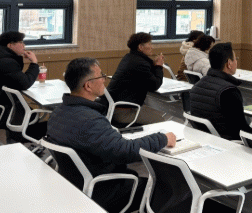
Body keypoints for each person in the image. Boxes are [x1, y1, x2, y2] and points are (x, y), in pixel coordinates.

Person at [47, 57, 176, 213]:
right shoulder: (90, 120)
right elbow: (125, 152)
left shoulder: (57, 113)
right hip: (104, 190)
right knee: (170, 190)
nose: (104, 79)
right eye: (100, 76)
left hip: (74, 184)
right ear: (88, 85)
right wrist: (162, 138)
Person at [0, 31, 42, 138]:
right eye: (21, 42)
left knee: (24, 109)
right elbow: (25, 83)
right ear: (10, 45)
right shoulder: (6, 62)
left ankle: (16, 139)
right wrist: (34, 63)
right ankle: (20, 140)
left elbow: (17, 80)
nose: (24, 46)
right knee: (30, 114)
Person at [189, 42, 252, 140]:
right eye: (235, 59)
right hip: (227, 143)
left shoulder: (196, 86)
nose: (236, 61)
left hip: (204, 140)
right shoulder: (229, 91)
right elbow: (241, 129)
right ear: (229, 64)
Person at [107, 32, 165, 125]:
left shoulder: (129, 58)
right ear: (140, 47)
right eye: (149, 44)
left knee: (150, 113)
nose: (152, 47)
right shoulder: (140, 63)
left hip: (113, 108)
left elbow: (148, 75)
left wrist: (155, 66)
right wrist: (159, 66)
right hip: (123, 112)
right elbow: (155, 85)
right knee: (161, 121)